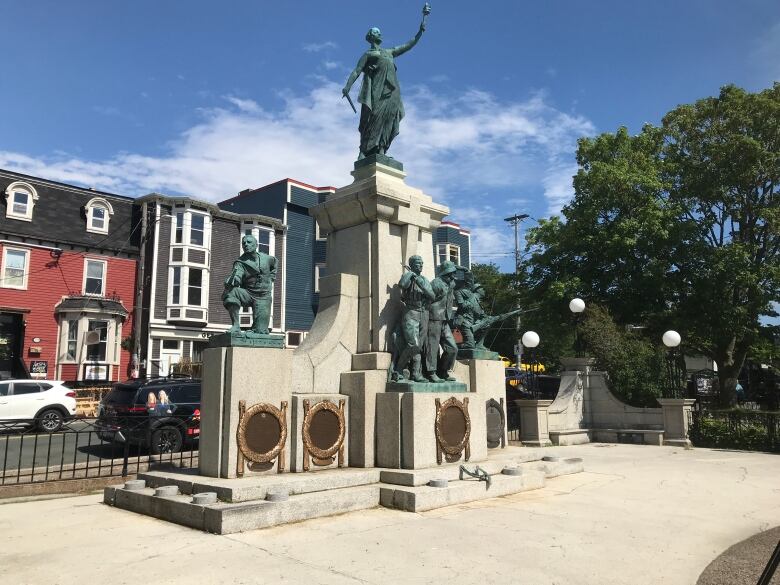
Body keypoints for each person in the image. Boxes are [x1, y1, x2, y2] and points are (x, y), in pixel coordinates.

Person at [342, 15, 427, 160]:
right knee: (373, 118)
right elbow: (357, 70)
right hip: (377, 90)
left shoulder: (389, 52)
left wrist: (420, 31)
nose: (379, 34)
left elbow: (408, 45)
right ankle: (364, 151)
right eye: (376, 32)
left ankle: (381, 149)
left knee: (389, 118)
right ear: (370, 37)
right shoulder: (368, 54)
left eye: (379, 32)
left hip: (393, 91)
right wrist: (347, 86)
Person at [222, 234, 277, 335]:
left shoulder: (267, 258)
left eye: (249, 242)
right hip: (248, 293)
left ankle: (258, 327)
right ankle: (236, 326)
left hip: (263, 296)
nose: (246, 245)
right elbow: (237, 274)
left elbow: (274, 263)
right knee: (231, 292)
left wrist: (272, 277)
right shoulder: (240, 262)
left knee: (260, 331)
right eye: (244, 243)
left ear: (256, 245)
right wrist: (233, 280)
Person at [393, 255, 434, 382]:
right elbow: (402, 285)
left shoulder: (424, 280)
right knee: (414, 345)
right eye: (417, 263)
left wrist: (420, 283)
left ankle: (416, 373)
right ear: (412, 264)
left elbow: (432, 295)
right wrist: (410, 274)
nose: (421, 265)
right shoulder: (408, 277)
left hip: (423, 313)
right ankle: (399, 369)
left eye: (422, 263)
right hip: (410, 312)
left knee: (419, 346)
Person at [425, 261, 458, 382]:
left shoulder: (451, 283)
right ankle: (431, 372)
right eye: (451, 273)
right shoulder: (436, 283)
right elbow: (427, 299)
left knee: (452, 348)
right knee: (432, 347)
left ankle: (443, 371)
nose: (453, 276)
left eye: (453, 273)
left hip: (444, 319)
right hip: (434, 317)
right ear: (445, 273)